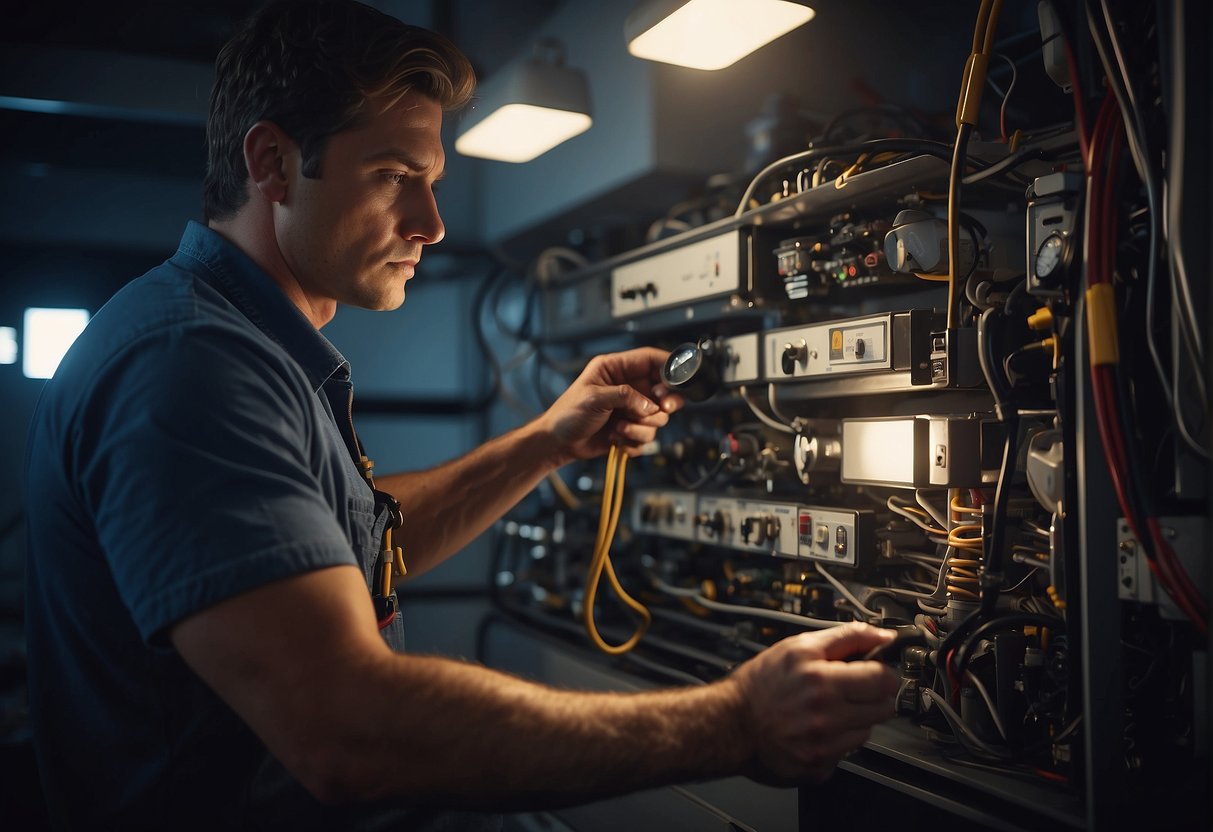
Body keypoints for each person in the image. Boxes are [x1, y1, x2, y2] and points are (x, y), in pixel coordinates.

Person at [23, 1, 900, 828]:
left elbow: (354, 546)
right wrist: (735, 726)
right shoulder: (189, 365)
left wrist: (545, 442)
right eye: (395, 176)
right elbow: (343, 730)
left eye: (431, 181)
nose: (432, 222)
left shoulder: (240, 346)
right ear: (272, 163)